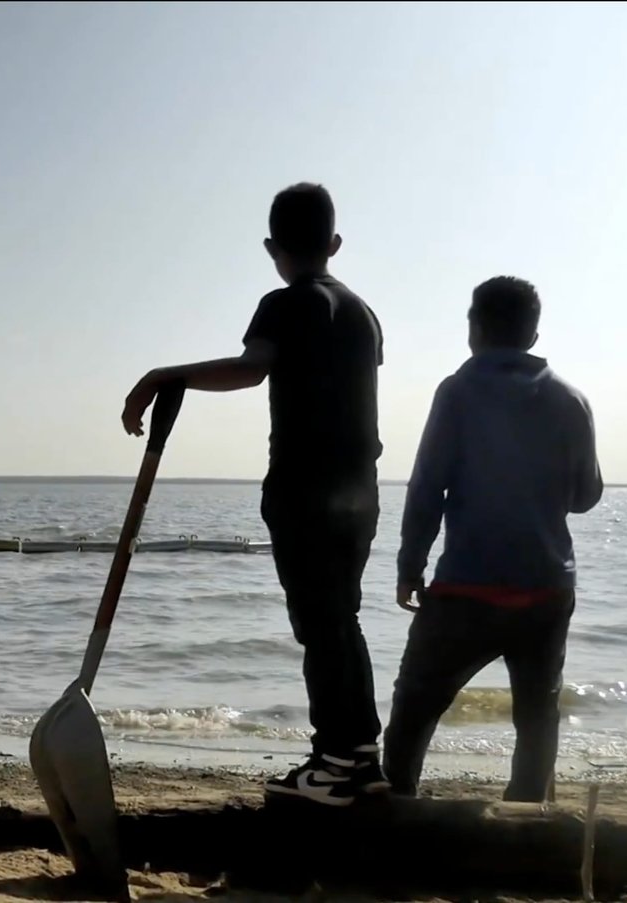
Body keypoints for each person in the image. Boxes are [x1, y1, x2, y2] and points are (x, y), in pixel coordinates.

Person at [122, 183, 388, 806]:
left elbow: (252, 368)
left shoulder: (284, 303)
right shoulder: (363, 313)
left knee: (318, 622)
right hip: (361, 489)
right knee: (338, 617)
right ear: (335, 243)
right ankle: (357, 757)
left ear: (273, 248)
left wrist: (170, 374)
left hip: (304, 487)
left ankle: (338, 761)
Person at [383, 276, 602, 802]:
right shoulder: (570, 399)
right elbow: (585, 496)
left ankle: (397, 803)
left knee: (416, 704)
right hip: (546, 588)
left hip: (467, 587)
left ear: (474, 329)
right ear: (533, 332)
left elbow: (427, 485)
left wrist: (410, 564)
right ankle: (527, 814)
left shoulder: (457, 391)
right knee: (536, 713)